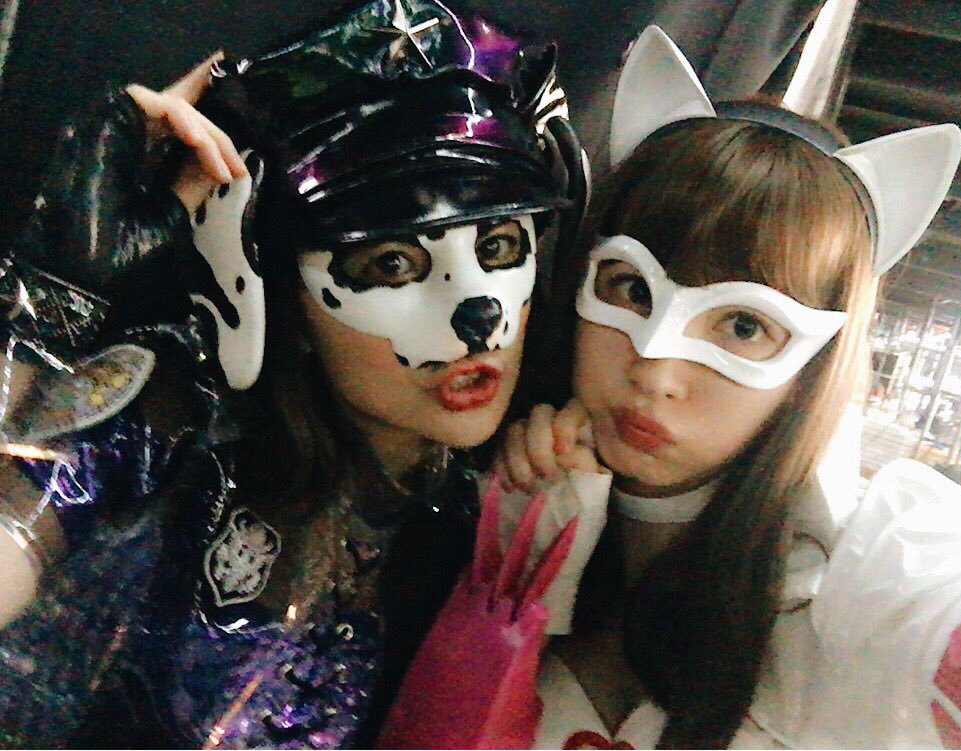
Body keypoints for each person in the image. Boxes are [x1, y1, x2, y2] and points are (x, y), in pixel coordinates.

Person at [378, 27, 961, 749]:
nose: (656, 367)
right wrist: (516, 578)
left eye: (742, 325)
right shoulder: (463, 499)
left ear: (814, 365)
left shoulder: (860, 572)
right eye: (630, 289)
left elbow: (960, 614)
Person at [0, 1, 585, 747]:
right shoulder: (175, 420)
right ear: (282, 291)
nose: (477, 317)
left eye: (498, 247)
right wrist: (44, 310)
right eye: (393, 263)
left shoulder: (478, 525)